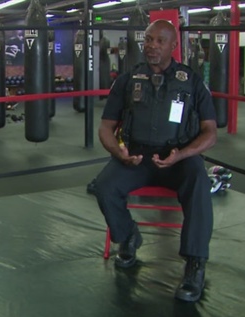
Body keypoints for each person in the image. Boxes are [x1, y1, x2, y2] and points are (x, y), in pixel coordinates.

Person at [93, 20, 217, 302]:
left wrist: (183, 154)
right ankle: (128, 236)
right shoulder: (127, 80)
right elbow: (105, 127)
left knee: (199, 181)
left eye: (160, 41)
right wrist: (118, 152)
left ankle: (195, 263)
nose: (152, 46)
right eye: (149, 39)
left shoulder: (192, 81)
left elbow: (210, 132)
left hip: (179, 157)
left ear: (174, 46)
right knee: (104, 186)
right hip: (136, 157)